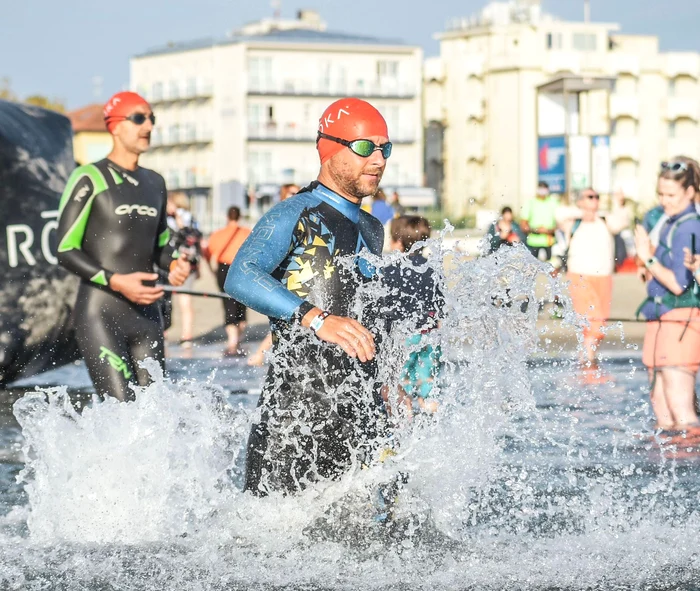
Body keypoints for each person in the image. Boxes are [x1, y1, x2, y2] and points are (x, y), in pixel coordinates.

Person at [225, 97, 389, 496]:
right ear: (329, 148)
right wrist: (317, 318)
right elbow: (240, 276)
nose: (379, 159)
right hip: (294, 415)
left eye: (385, 148)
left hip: (360, 411)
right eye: (365, 147)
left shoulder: (372, 228)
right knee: (270, 548)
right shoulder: (296, 212)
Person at [56, 91, 190, 402]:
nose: (148, 126)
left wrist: (174, 264)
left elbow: (160, 245)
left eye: (151, 119)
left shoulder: (155, 182)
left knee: (155, 415)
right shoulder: (90, 177)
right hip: (101, 312)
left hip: (147, 315)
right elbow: (63, 248)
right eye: (139, 118)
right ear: (115, 126)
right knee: (120, 410)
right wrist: (116, 281)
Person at [634, 158, 700, 431]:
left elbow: (677, 284)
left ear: (690, 192)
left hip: (682, 320)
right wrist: (646, 263)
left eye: (671, 195)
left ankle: (688, 470)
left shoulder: (689, 226)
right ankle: (664, 466)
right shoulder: (667, 222)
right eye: (661, 194)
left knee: (681, 410)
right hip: (660, 317)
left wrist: (647, 258)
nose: (665, 201)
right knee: (660, 404)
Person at [555, 188, 630, 365]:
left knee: (599, 323)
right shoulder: (573, 221)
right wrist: (583, 212)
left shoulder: (604, 219)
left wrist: (619, 203)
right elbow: (558, 214)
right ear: (580, 201)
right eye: (589, 197)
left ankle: (586, 360)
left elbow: (622, 221)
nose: (594, 200)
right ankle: (588, 363)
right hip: (580, 277)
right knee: (591, 322)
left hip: (604, 277)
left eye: (596, 197)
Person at [382, 216, 443, 417]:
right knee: (428, 381)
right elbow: (440, 304)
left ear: (398, 242)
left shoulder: (390, 269)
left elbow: (385, 306)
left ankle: (403, 425)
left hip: (403, 337)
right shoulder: (432, 268)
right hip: (429, 334)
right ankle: (432, 420)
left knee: (400, 384)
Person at [247, 184, 300, 366]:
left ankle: (265, 355)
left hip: (297, 277)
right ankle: (262, 355)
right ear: (284, 195)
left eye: (297, 192)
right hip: (281, 279)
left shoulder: (301, 217)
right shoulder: (279, 217)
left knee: (288, 323)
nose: (296, 196)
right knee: (284, 322)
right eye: (292, 193)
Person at [202, 206, 251, 356]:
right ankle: (238, 338)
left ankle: (232, 340)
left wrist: (212, 271)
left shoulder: (217, 234)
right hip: (242, 268)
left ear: (227, 217)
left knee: (227, 301)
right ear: (240, 216)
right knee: (242, 302)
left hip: (224, 269)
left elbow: (208, 253)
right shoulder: (247, 233)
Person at [168, 192, 202, 348]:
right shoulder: (192, 218)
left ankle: (186, 335)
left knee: (183, 301)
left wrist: (178, 220)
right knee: (182, 300)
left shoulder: (182, 217)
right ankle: (185, 335)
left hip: (180, 263)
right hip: (188, 264)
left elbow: (186, 237)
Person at [520, 181, 559, 262]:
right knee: (531, 269)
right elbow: (523, 225)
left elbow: (560, 222)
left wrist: (549, 231)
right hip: (533, 242)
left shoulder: (554, 202)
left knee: (553, 268)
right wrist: (536, 230)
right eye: (540, 189)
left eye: (544, 189)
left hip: (549, 241)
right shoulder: (530, 202)